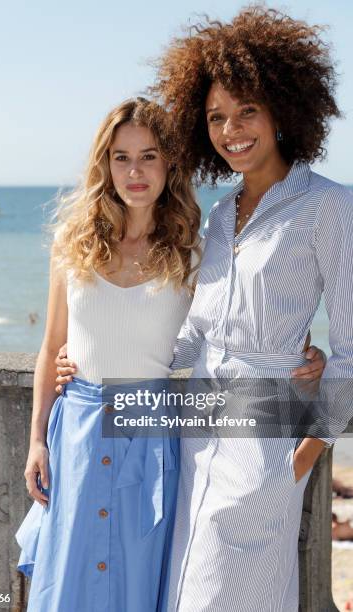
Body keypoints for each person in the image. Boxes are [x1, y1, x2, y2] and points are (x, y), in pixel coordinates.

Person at [144, 6, 353, 611]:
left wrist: (302, 458)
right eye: (215, 118)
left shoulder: (327, 205)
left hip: (265, 446)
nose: (230, 129)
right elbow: (191, 333)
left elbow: (349, 349)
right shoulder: (217, 214)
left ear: (283, 111)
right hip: (197, 435)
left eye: (246, 111)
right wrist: (103, 350)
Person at [15, 97, 202, 612]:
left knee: (136, 582)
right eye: (122, 157)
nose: (135, 171)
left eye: (148, 156)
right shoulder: (71, 243)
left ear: (169, 164)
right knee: (70, 582)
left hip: (149, 434)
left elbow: (232, 332)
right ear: (105, 164)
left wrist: (302, 353)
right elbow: (51, 346)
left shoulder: (193, 253)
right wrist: (36, 439)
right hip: (75, 431)